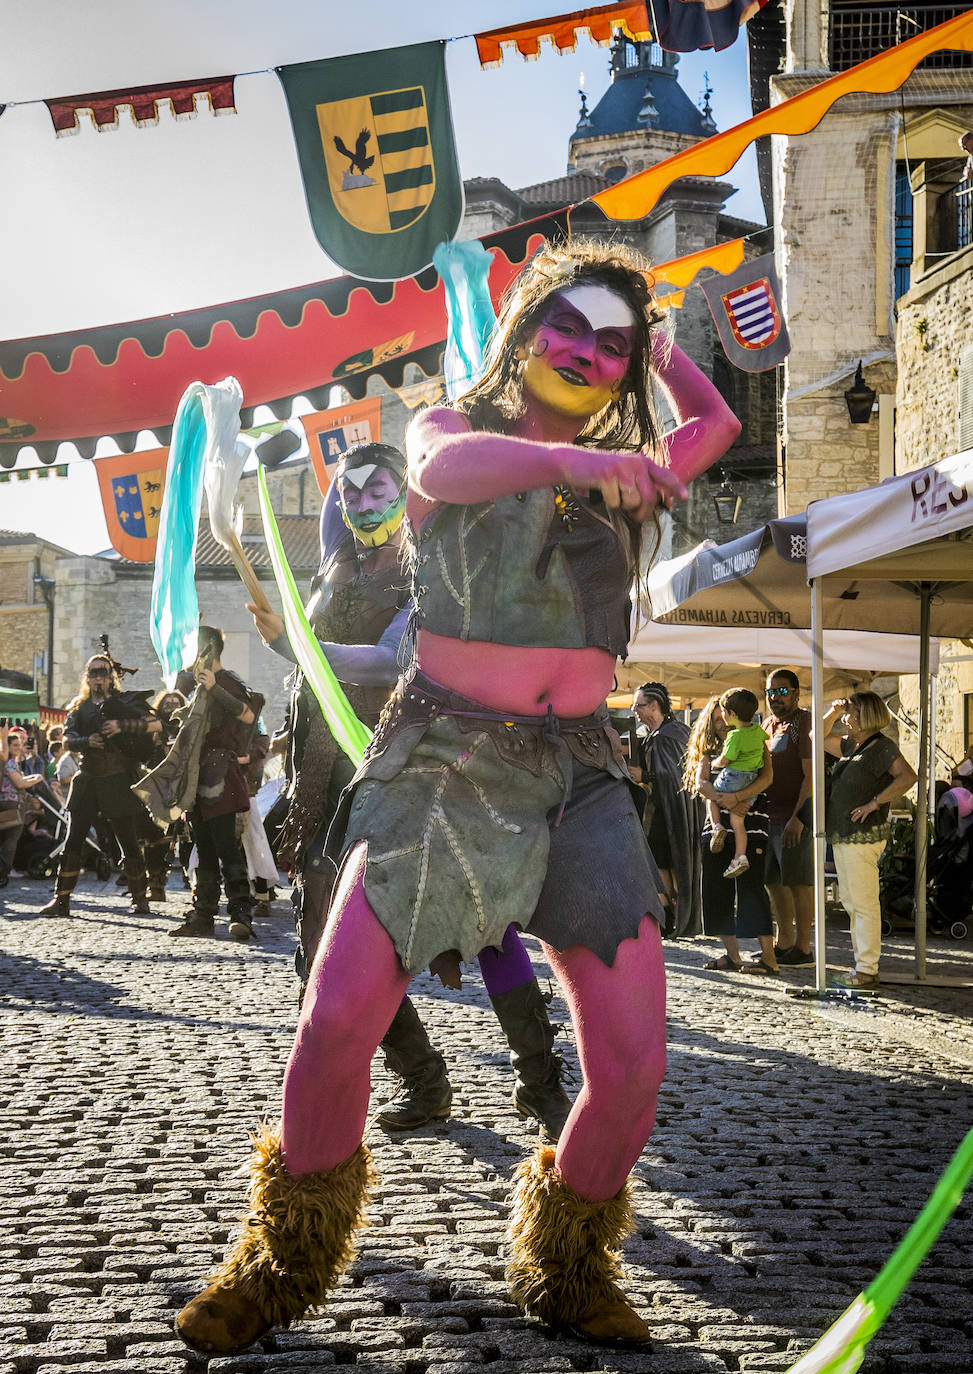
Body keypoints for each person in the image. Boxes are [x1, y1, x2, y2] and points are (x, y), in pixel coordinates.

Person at [175, 239, 739, 1356]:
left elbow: (714, 430)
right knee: (337, 1022)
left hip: (580, 775)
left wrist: (663, 348)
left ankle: (568, 1264)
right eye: (566, 328)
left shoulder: (629, 457)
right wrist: (579, 465)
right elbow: (446, 472)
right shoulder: (450, 433)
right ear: (526, 329)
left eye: (610, 345)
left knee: (632, 1065)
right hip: (441, 766)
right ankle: (280, 1258)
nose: (584, 353)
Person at [249, 441, 573, 1139]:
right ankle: (424, 1080)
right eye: (350, 491)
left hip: (415, 761)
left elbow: (391, 657)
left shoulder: (428, 563)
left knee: (484, 924)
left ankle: (539, 1084)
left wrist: (294, 644)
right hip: (326, 774)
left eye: (377, 489)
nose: (361, 501)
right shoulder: (336, 563)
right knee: (322, 948)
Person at [38, 652, 161, 917]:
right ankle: (62, 900)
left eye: (103, 672)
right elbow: (68, 740)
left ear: (110, 677)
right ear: (87, 677)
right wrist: (86, 742)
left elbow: (155, 725)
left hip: (118, 777)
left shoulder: (123, 704)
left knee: (128, 840)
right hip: (88, 777)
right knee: (74, 840)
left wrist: (121, 725)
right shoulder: (79, 708)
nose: (98, 677)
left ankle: (140, 899)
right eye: (93, 672)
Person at [165, 626, 263, 942]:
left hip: (221, 775)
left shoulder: (228, 683)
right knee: (203, 849)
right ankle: (203, 916)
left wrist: (214, 688)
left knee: (227, 849)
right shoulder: (196, 685)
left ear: (207, 650)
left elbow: (248, 716)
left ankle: (241, 916)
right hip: (198, 775)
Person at [822, 692, 917, 987]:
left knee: (862, 902)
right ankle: (862, 966)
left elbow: (908, 777)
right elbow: (818, 737)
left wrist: (875, 803)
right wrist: (833, 713)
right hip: (844, 834)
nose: (846, 714)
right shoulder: (853, 746)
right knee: (851, 901)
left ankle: (867, 969)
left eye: (851, 710)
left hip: (862, 837)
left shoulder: (881, 747)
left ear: (866, 715)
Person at [684, 696, 777, 972]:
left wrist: (738, 796)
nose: (721, 722)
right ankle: (733, 955)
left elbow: (767, 777)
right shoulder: (708, 749)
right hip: (716, 825)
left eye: (722, 716)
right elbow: (701, 781)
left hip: (752, 819)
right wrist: (723, 799)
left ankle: (769, 958)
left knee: (752, 887)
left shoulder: (753, 740)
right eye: (714, 719)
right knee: (716, 889)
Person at [629, 681, 702, 935]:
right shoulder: (653, 736)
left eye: (638, 705)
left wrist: (644, 775)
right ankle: (667, 914)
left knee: (673, 863)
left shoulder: (671, 735)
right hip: (658, 813)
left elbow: (677, 778)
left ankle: (676, 915)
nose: (634, 710)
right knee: (658, 863)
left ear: (654, 705)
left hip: (675, 814)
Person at [762, 669, 814, 966]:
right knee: (773, 882)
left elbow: (811, 775)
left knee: (798, 883)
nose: (775, 698)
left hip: (794, 817)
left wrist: (799, 817)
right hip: (769, 817)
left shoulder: (803, 722)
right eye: (770, 692)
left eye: (781, 691)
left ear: (796, 693)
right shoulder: (768, 724)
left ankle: (804, 948)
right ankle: (785, 942)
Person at [708, 687, 765, 880]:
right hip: (752, 781)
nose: (722, 716)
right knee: (738, 820)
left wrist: (714, 763)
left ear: (731, 714)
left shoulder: (734, 736)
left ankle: (716, 827)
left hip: (734, 777)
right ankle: (740, 857)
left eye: (723, 712)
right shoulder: (758, 731)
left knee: (712, 798)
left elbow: (726, 759)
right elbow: (764, 741)